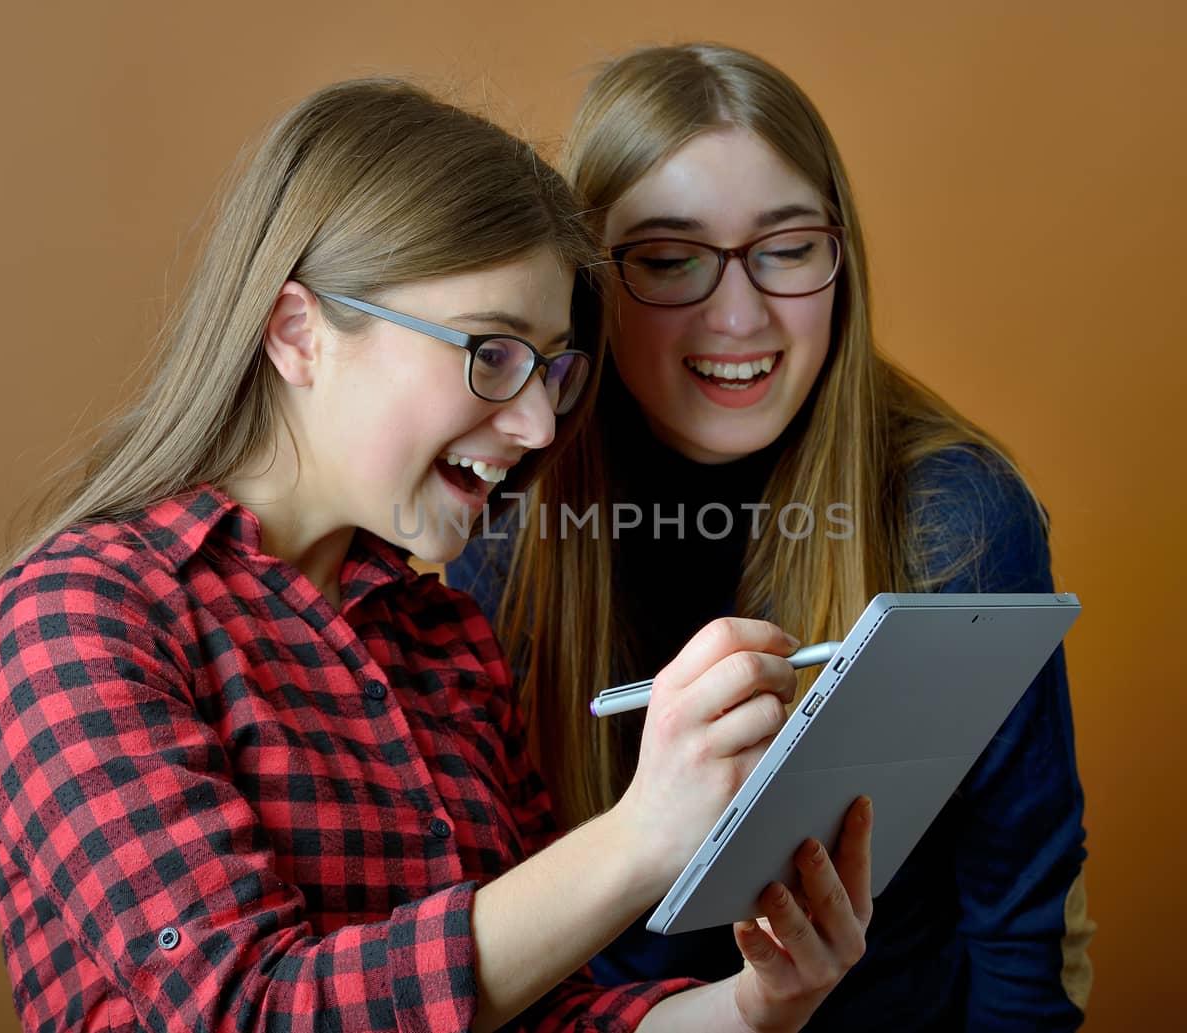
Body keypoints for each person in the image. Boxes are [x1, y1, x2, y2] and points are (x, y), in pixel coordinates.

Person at [0, 77, 877, 1033]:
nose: (533, 422)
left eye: (553, 370)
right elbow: (253, 1013)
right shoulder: (79, 620)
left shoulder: (445, 638)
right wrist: (643, 834)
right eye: (490, 352)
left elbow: (538, 1015)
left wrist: (756, 1005)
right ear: (297, 332)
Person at [448, 44, 1095, 1031]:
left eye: (787, 249)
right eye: (668, 261)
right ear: (589, 283)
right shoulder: (501, 521)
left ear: (842, 262)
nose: (740, 314)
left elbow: (1020, 921)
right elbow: (479, 933)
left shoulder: (956, 516)